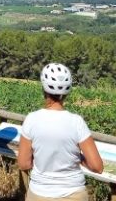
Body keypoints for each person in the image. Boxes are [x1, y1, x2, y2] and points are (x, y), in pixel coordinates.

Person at [17, 63, 103, 201]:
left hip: (40, 192)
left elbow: (23, 164)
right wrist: (79, 158)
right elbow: (97, 166)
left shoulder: (31, 120)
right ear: (67, 92)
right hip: (74, 193)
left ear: (44, 88)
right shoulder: (77, 122)